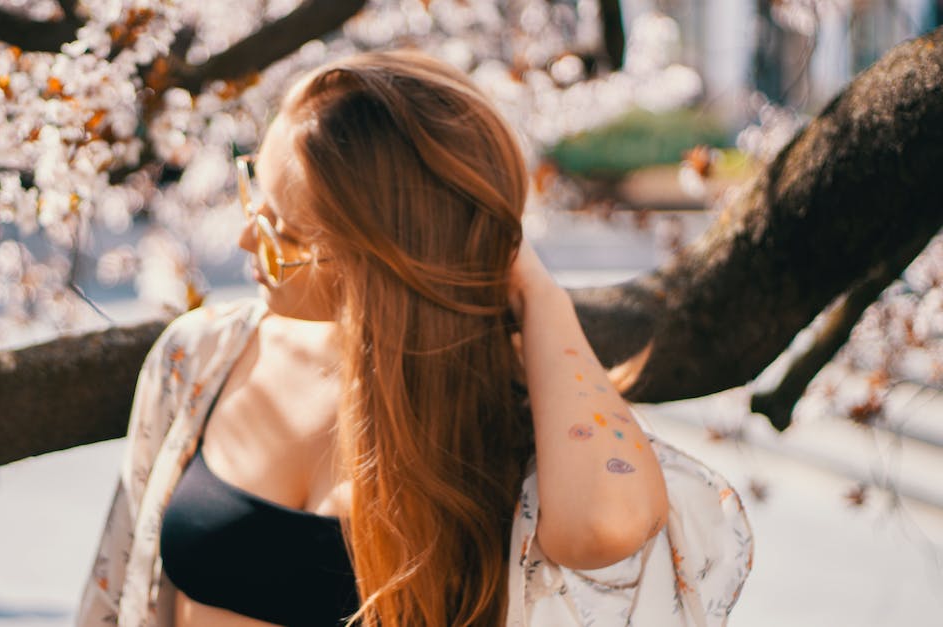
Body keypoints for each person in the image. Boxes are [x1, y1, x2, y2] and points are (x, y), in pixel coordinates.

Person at [78, 50, 752, 627]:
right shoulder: (201, 357)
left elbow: (601, 527)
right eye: (254, 194)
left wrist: (536, 289)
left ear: (387, 265)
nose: (245, 239)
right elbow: (113, 592)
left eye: (284, 236)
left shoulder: (516, 415)